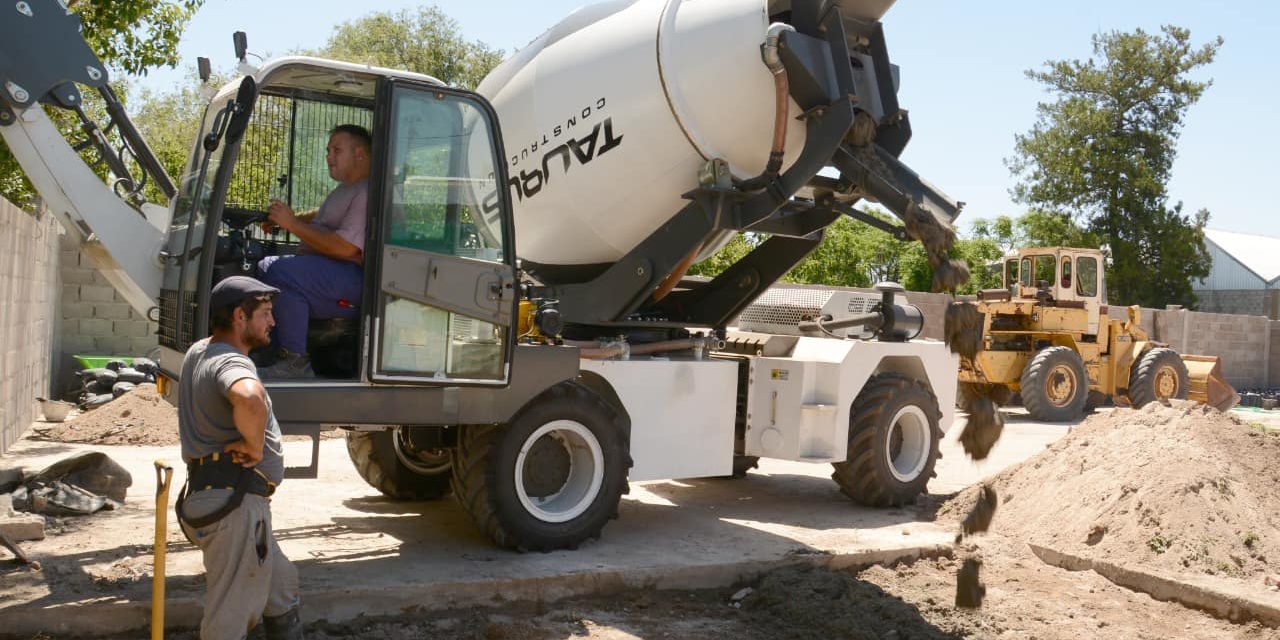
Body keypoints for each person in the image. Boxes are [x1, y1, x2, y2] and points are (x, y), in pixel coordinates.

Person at [177, 276, 302, 640]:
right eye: (265, 313)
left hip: (219, 496)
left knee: (281, 587)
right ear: (238, 317)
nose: (273, 322)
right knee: (230, 617)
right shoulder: (229, 361)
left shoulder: (199, 351)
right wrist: (255, 446)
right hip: (235, 506)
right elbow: (249, 397)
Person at [257, 124, 372, 378]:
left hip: (353, 279)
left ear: (360, 154)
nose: (329, 157)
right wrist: (286, 218)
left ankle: (295, 363)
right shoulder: (347, 188)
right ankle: (271, 350)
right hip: (332, 274)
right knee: (264, 266)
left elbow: (347, 248)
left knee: (281, 273)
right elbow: (321, 215)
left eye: (336, 150)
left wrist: (292, 224)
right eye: (328, 150)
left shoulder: (366, 192)